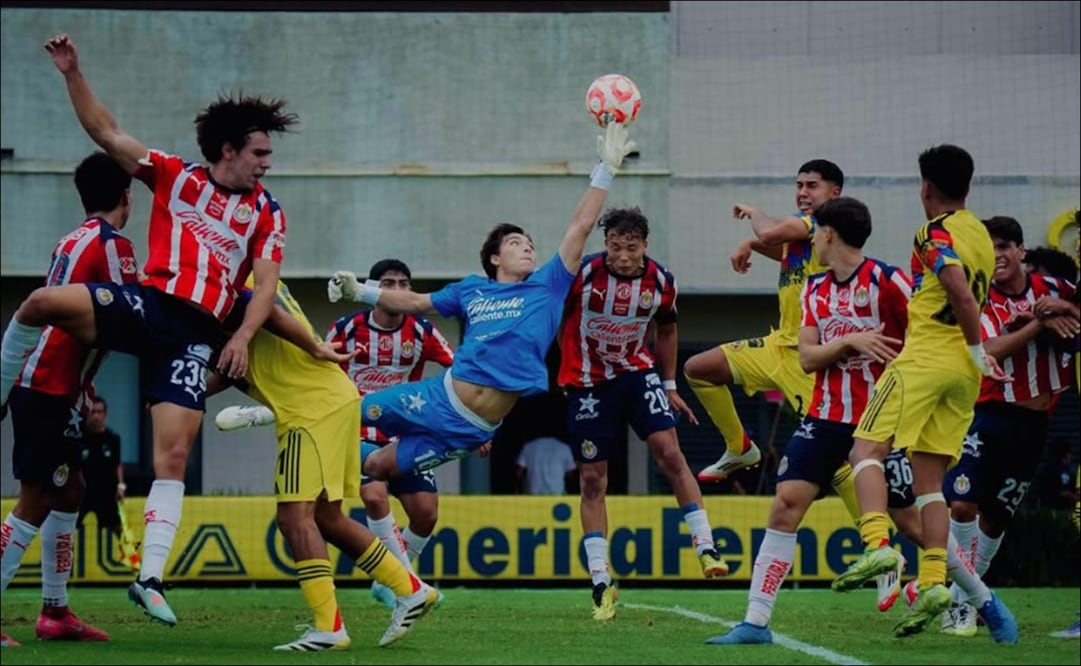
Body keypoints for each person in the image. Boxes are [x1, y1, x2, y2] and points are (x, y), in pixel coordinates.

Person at [0, 34, 296, 626]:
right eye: (259, 152)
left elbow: (264, 288)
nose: (267, 163)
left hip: (196, 335)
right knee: (39, 302)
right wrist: (72, 74)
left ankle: (150, 578)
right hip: (152, 307)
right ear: (229, 150)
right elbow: (107, 133)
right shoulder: (176, 178)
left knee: (174, 455)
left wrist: (238, 339)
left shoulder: (267, 212)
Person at [325, 120, 638, 484]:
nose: (527, 247)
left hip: (473, 429)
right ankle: (275, 415)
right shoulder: (470, 289)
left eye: (530, 244)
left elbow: (580, 227)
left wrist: (606, 171)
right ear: (494, 259)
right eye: (516, 243)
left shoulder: (547, 286)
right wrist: (359, 291)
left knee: (380, 467)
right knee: (346, 412)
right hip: (435, 399)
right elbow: (414, 302)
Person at [831, 144, 1017, 642]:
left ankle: (877, 544)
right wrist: (974, 357)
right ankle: (934, 579)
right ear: (968, 186)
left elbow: (956, 288)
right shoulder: (980, 232)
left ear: (925, 188)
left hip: (926, 361)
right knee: (928, 481)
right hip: (961, 377)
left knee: (864, 451)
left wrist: (979, 349)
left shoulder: (934, 232)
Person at [706, 197, 911, 644]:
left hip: (880, 419)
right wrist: (850, 342)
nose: (810, 240)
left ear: (830, 233)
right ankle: (755, 622)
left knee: (910, 519)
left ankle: (977, 599)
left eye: (815, 232)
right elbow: (808, 358)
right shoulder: (814, 290)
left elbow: (923, 340)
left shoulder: (890, 280)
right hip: (825, 416)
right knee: (785, 505)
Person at [213, 278, 440, 650]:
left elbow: (263, 321)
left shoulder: (231, 277)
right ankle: (410, 589)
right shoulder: (254, 275)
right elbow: (236, 361)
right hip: (331, 400)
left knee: (293, 517)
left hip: (310, 409)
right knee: (325, 517)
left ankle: (329, 628)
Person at [556, 205, 730, 620]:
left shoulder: (662, 281)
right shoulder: (583, 275)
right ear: (605, 245)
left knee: (670, 453)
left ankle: (706, 546)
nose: (621, 256)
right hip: (586, 382)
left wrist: (669, 385)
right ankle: (600, 580)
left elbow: (667, 330)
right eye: (614, 247)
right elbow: (553, 316)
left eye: (630, 248)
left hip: (637, 373)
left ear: (644, 247)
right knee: (593, 478)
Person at [0, 151, 139, 647]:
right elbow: (133, 316)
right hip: (47, 387)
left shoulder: (71, 239)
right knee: (37, 497)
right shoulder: (112, 244)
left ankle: (55, 612)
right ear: (127, 196)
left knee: (71, 489)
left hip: (55, 384)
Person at [940, 216, 1077, 636]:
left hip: (1035, 423)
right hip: (988, 414)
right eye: (989, 247)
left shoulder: (1054, 290)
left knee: (996, 519)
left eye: (1004, 246)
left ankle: (966, 600)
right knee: (963, 505)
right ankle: (963, 606)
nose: (996, 255)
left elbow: (1073, 313)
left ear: (1021, 252)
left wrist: (1064, 309)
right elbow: (988, 349)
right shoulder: (978, 297)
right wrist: (1039, 323)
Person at [683, 159, 843, 484]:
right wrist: (753, 245)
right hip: (777, 346)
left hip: (808, 358)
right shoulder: (805, 232)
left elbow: (770, 232)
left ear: (834, 192)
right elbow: (787, 252)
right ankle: (739, 447)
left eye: (812, 186)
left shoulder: (824, 222)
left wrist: (753, 213)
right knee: (699, 369)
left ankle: (876, 532)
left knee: (837, 461)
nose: (802, 192)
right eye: (799, 185)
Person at [77, 396, 141, 572]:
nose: (96, 416)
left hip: (106, 491)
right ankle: (60, 565)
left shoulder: (112, 438)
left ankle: (135, 563)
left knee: (118, 527)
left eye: (99, 412)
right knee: (67, 527)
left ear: (105, 415)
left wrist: (121, 486)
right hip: (82, 492)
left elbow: (117, 464)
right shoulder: (79, 436)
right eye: (93, 412)